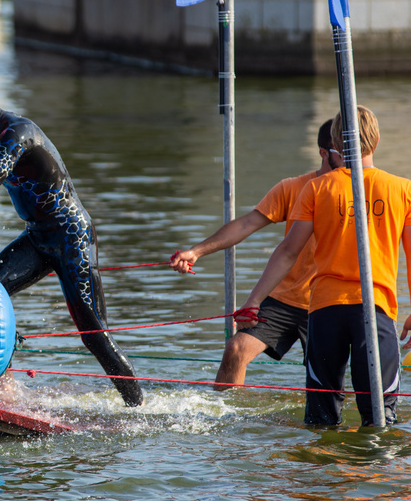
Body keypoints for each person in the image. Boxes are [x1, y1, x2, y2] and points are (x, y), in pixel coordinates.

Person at [0, 73, 143, 407]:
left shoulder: (16, 132)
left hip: (71, 236)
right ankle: (3, 390)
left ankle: (138, 407)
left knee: (94, 336)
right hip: (38, 238)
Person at [237, 106, 411, 426]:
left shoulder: (317, 188)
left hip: (325, 311)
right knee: (380, 419)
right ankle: (374, 475)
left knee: (321, 420)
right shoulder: (402, 189)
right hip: (375, 309)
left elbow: (288, 250)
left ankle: (324, 475)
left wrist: (254, 300)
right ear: (376, 140)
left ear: (334, 141)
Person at [170, 120, 341, 389]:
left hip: (328, 301)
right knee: (236, 349)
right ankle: (226, 422)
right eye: (341, 150)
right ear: (324, 153)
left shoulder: (361, 191)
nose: (349, 157)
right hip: (283, 298)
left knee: (331, 375)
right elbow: (247, 224)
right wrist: (196, 251)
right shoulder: (293, 187)